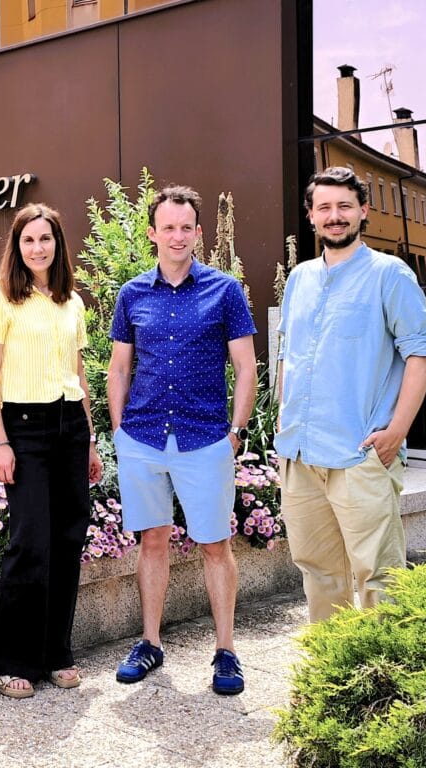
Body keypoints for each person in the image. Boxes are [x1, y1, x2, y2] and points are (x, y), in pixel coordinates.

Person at [107, 185, 257, 695]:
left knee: (214, 544)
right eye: (167, 227)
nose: (177, 236)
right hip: (144, 437)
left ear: (198, 232)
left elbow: (245, 366)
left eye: (185, 227)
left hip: (204, 437)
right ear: (153, 234)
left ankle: (226, 652)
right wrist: (118, 430)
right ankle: (150, 643)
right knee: (152, 540)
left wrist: (236, 432)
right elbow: (119, 367)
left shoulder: (225, 290)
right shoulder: (132, 294)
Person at [275, 166, 426, 622]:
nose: (335, 216)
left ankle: (381, 687)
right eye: (324, 207)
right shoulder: (300, 279)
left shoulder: (390, 275)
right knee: (318, 572)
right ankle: (332, 677)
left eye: (344, 206)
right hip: (301, 455)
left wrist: (397, 432)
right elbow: (289, 354)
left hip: (361, 454)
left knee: (379, 577)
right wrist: (285, 428)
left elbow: (422, 354)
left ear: (363, 212)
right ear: (311, 216)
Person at [0, 203, 103, 699]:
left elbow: (79, 375)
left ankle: (56, 654)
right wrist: (0, 441)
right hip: (23, 429)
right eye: (29, 240)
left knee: (68, 539)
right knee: (31, 543)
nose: (38, 248)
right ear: (17, 245)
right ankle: (8, 660)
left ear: (57, 243)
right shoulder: (0, 300)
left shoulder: (72, 302)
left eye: (45, 239)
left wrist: (89, 438)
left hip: (69, 425)